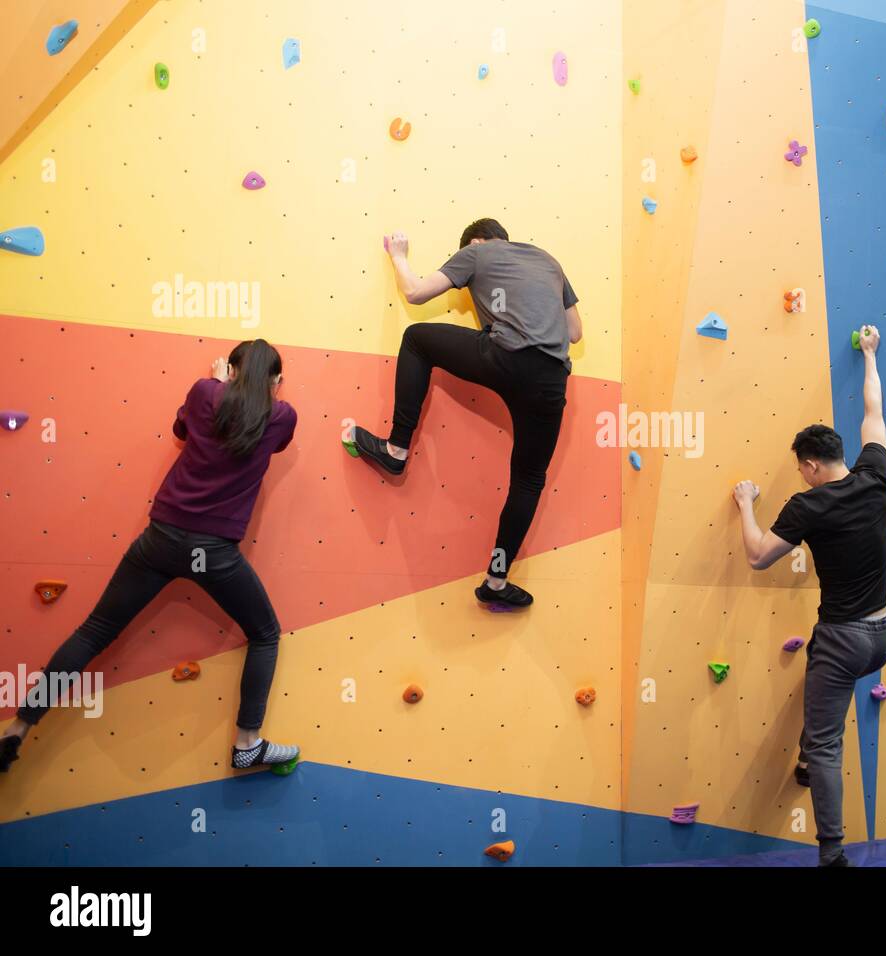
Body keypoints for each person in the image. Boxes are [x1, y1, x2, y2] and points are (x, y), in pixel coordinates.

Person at [1, 341, 300, 772]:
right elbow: (273, 443)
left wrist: (218, 383)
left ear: (231, 371)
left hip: (160, 539)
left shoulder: (204, 392)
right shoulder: (281, 415)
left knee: (93, 632)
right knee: (266, 634)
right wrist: (250, 391)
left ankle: (18, 728)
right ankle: (248, 741)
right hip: (213, 553)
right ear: (276, 382)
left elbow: (182, 432)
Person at [348, 219, 582, 610]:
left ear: (475, 242)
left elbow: (416, 293)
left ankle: (397, 448)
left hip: (505, 356)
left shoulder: (477, 251)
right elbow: (574, 332)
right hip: (551, 379)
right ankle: (496, 579)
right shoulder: (549, 261)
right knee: (528, 480)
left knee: (416, 339)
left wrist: (399, 256)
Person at [732, 324, 886, 867]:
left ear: (807, 465)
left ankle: (831, 853)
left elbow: (758, 556)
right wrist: (870, 355)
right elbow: (874, 410)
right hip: (883, 634)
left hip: (844, 637)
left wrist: (747, 503)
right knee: (826, 698)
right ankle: (806, 760)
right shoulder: (877, 474)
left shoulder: (807, 506)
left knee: (828, 743)